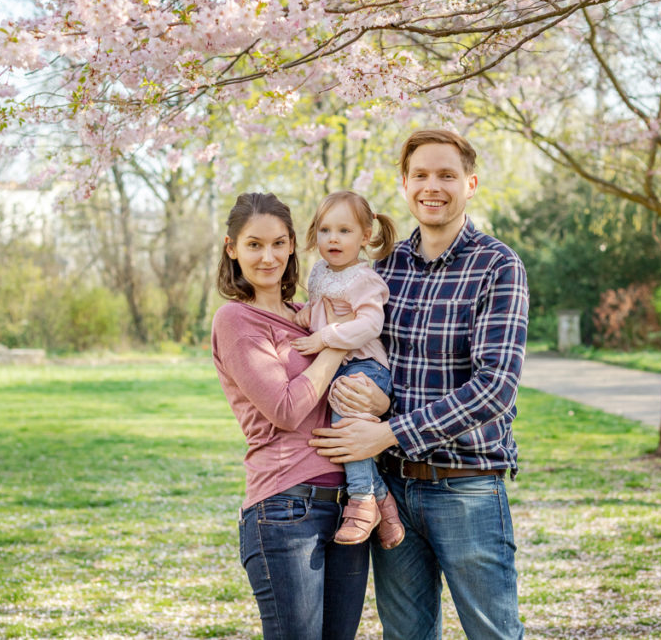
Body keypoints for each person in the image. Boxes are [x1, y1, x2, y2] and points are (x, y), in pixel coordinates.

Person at [310, 130, 530, 639]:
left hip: (467, 487)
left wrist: (388, 431)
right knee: (405, 635)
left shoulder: (497, 266)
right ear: (405, 185)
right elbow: (370, 360)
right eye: (422, 175)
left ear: (470, 184)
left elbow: (496, 388)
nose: (434, 186)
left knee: (493, 634)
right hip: (393, 489)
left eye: (447, 175)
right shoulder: (383, 271)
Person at [211, 192, 378, 640]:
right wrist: (337, 343)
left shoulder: (308, 316)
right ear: (232, 248)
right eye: (254, 244)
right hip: (285, 510)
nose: (268, 257)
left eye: (278, 244)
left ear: (291, 247)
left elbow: (362, 383)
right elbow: (286, 410)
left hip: (346, 507)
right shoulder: (236, 321)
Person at [290, 190, 405, 549]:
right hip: (339, 363)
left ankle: (361, 500)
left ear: (365, 235)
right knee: (340, 429)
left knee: (346, 427)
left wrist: (325, 334)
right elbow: (320, 305)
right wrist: (310, 313)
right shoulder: (320, 271)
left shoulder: (364, 278)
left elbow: (370, 325)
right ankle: (383, 503)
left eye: (344, 231)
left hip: (366, 366)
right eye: (325, 230)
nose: (333, 239)